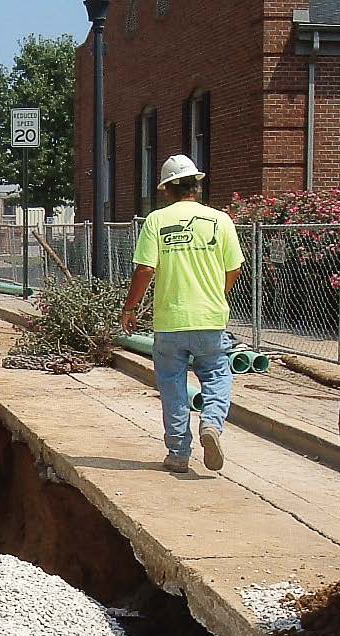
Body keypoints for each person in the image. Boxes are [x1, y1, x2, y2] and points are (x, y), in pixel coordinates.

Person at [122, 155, 244, 474]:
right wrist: (216, 294)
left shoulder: (156, 221)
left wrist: (130, 307)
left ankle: (178, 453)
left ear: (166, 190)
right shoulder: (221, 220)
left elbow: (145, 269)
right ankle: (211, 424)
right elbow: (234, 268)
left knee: (172, 386)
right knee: (217, 375)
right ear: (196, 186)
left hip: (170, 322)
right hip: (210, 319)